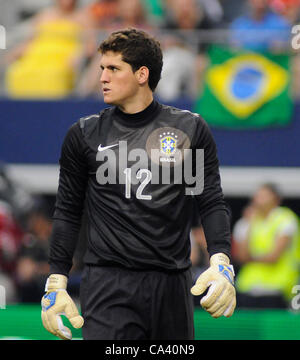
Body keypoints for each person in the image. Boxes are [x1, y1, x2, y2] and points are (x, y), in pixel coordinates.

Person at [41, 28, 236, 340]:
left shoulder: (190, 130)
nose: (102, 77)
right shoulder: (83, 135)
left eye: (113, 69)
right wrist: (56, 280)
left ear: (142, 74)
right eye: (101, 68)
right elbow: (67, 211)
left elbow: (209, 200)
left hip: (173, 284)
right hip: (108, 284)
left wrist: (221, 260)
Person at [235, 183, 300, 309]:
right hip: (248, 286)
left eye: (264, 196)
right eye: (258, 196)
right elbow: (241, 256)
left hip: (278, 287)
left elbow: (273, 258)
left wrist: (251, 259)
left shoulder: (286, 220)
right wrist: (250, 224)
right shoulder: (246, 221)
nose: (259, 200)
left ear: (276, 199)